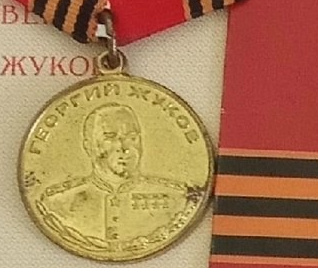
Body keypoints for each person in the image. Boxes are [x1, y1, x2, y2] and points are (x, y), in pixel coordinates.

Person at [37, 100, 199, 251]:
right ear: (89, 146)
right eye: (110, 138)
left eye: (132, 137)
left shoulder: (178, 197)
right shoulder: (57, 202)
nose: (123, 147)